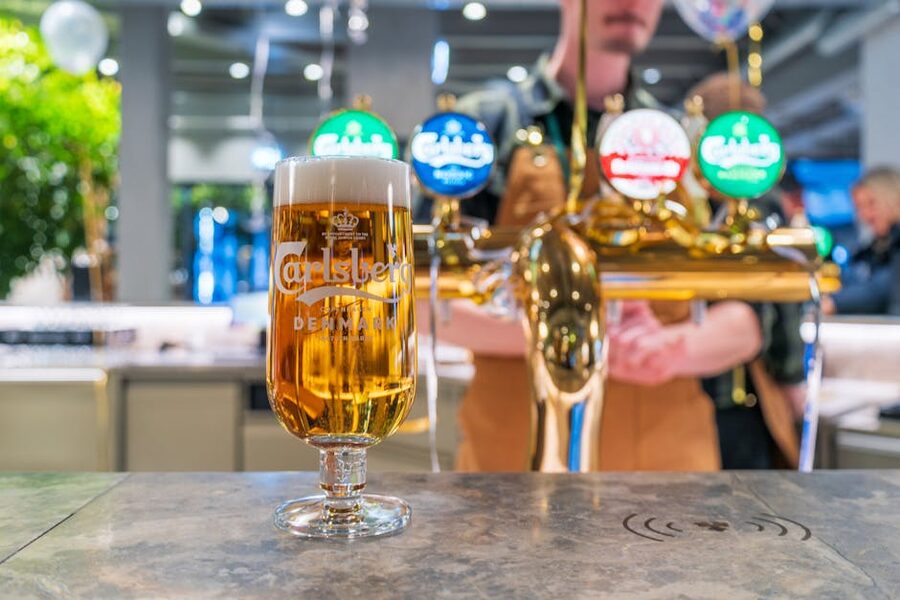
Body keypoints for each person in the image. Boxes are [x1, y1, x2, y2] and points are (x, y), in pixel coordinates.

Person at [427, 0, 765, 472]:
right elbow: (427, 301)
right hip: (513, 467)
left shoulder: (684, 139)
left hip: (670, 473)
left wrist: (673, 350)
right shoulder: (483, 127)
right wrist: (582, 338)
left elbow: (749, 316)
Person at [687, 73, 806, 470]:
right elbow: (781, 294)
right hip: (740, 389)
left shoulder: (682, 200)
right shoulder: (760, 201)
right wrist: (792, 376)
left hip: (696, 387)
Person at [822, 167, 900, 316]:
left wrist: (835, 302)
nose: (866, 215)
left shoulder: (893, 246)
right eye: (859, 208)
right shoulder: (875, 250)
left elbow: (885, 287)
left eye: (871, 204)